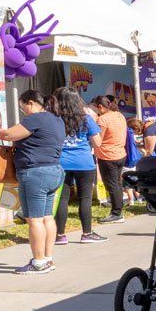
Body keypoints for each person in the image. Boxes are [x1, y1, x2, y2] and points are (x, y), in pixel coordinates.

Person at [0, 90, 65, 274]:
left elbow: (8, 135)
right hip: (54, 170)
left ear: (30, 103)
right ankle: (47, 258)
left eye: (23, 108)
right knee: (47, 217)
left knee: (34, 220)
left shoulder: (35, 118)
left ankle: (38, 262)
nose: (24, 113)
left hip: (35, 173)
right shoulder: (57, 119)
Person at [52, 88, 105, 245]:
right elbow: (98, 143)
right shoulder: (86, 119)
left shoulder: (54, 119)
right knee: (85, 198)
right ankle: (87, 233)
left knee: (62, 199)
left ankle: (60, 235)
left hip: (60, 162)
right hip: (84, 162)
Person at [90, 96, 127, 222]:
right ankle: (119, 209)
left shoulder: (103, 120)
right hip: (120, 153)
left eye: (96, 109)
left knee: (112, 185)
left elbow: (98, 141)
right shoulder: (119, 115)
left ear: (100, 107)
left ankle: (116, 213)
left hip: (107, 156)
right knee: (117, 184)